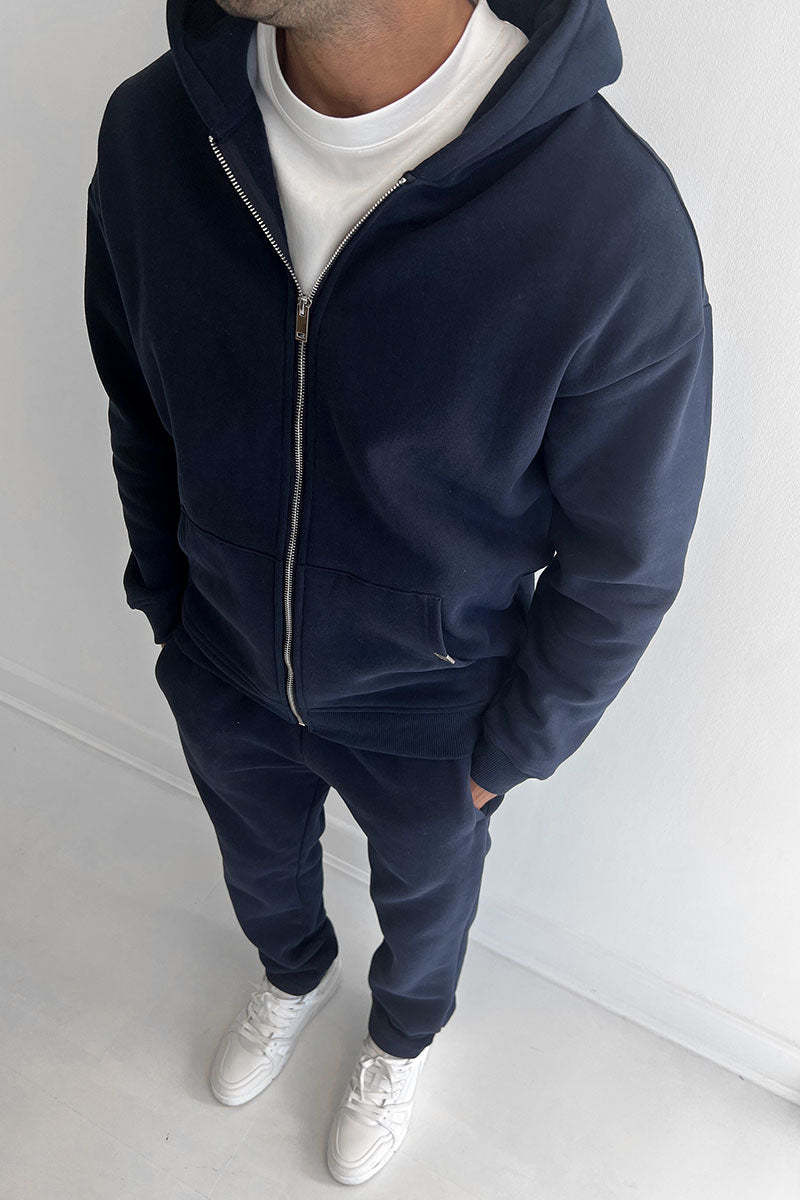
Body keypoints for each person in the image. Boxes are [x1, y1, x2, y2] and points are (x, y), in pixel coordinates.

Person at [83, 0, 713, 1184]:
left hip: (434, 710)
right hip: (222, 660)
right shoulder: (154, 135)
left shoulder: (605, 221)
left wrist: (502, 754)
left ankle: (400, 1038)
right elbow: (138, 403)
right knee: (257, 864)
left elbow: (623, 563)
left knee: (426, 911)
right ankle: (292, 974)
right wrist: (171, 611)